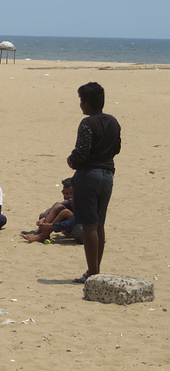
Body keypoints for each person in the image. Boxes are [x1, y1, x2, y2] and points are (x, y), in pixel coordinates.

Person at [67, 82, 121, 283]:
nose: (81, 105)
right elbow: (116, 148)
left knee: (89, 224)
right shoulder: (113, 122)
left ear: (88, 104)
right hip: (107, 174)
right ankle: (96, 269)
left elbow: (81, 152)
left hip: (89, 174)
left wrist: (71, 160)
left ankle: (92, 272)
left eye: (82, 101)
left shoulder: (87, 124)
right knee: (100, 223)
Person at [21, 178, 82, 243]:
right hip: (73, 227)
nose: (69, 196)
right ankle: (40, 231)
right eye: (66, 193)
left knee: (65, 212)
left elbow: (73, 220)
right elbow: (59, 206)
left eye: (71, 193)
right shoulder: (72, 201)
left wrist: (52, 225)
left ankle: (42, 235)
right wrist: (44, 218)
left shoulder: (84, 202)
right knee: (57, 206)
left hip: (83, 231)